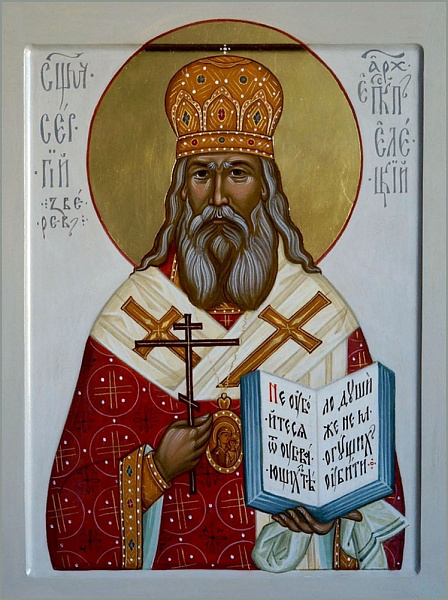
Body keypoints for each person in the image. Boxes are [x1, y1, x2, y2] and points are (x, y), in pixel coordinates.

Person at [46, 55, 406, 571]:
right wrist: (153, 473)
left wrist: (332, 514)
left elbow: (380, 502)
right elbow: (73, 502)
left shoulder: (322, 317)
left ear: (267, 188)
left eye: (237, 173)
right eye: (201, 174)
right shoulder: (129, 320)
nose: (218, 197)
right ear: (181, 191)